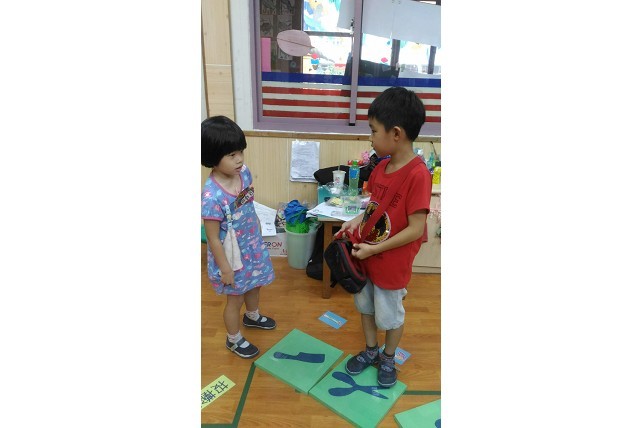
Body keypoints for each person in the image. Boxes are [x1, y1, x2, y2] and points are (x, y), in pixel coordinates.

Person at [336, 87, 431, 387]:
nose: (370, 138)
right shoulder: (380, 168)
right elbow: (373, 208)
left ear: (396, 134)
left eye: (373, 131)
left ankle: (388, 357)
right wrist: (354, 222)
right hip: (366, 257)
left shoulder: (418, 175)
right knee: (365, 307)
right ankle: (370, 350)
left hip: (391, 265)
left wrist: (375, 250)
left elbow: (416, 229)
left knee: (390, 316)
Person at [201, 115, 276, 359]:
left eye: (240, 151)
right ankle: (233, 339)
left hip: (252, 245)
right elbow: (213, 238)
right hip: (231, 257)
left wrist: (258, 231)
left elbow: (248, 202)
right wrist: (225, 269)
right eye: (231, 155)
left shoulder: (243, 173)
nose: (240, 159)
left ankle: (252, 316)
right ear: (212, 157)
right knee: (235, 299)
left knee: (255, 284)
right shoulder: (211, 196)